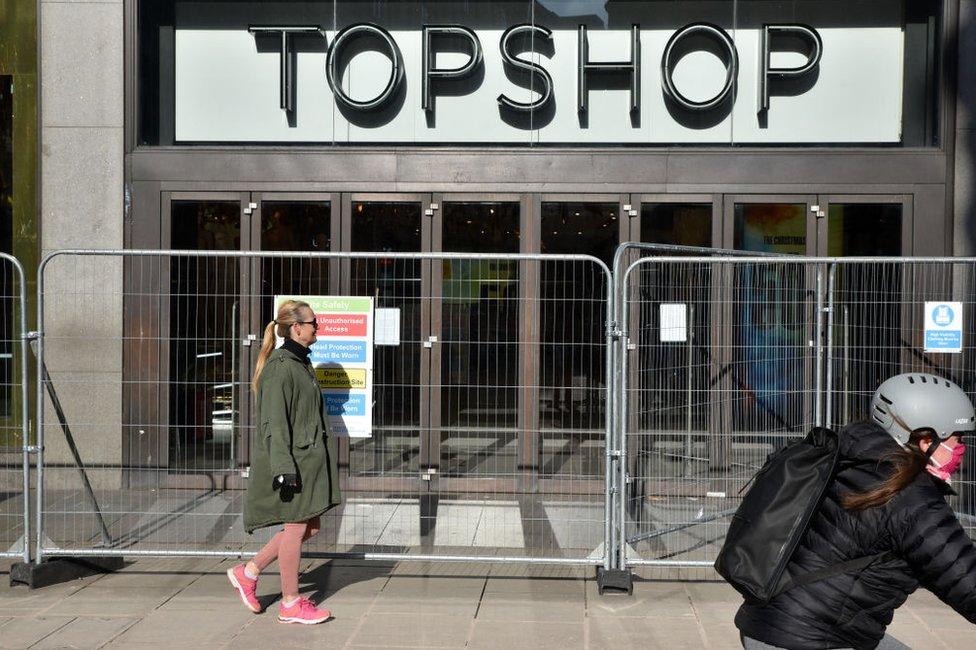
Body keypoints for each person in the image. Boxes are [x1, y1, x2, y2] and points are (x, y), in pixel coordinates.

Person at [736, 373, 976, 649]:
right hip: (805, 637)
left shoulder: (853, 458)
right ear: (925, 440)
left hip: (768, 619)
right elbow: (966, 582)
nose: (961, 449)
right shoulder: (912, 498)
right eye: (956, 438)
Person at [226, 300, 342, 624]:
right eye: (313, 322)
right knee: (295, 528)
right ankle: (290, 601)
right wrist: (284, 469)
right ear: (297, 327)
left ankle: (248, 572)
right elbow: (274, 425)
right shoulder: (281, 368)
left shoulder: (299, 362)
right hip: (294, 464)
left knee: (309, 526)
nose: (318, 327)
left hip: (306, 462)